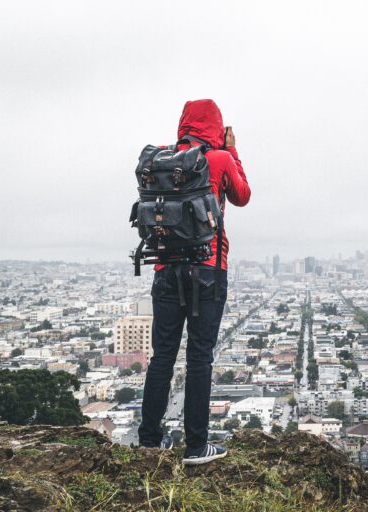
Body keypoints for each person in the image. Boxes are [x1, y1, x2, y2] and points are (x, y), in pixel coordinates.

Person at [138, 99, 251, 465]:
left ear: (183, 125)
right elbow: (243, 196)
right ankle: (197, 446)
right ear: (216, 127)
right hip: (207, 269)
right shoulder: (217, 159)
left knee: (163, 357)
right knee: (200, 358)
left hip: (164, 270)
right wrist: (232, 150)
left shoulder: (163, 162)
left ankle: (150, 440)